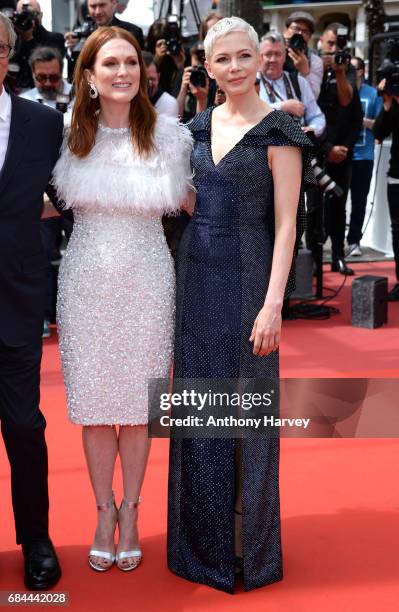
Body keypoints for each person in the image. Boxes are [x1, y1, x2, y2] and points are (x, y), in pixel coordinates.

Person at [168, 16, 313, 593]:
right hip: (197, 280)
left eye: (243, 56)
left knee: (247, 419)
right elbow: (185, 203)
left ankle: (248, 551)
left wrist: (274, 302)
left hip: (253, 278)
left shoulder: (280, 132)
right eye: (222, 58)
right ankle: (199, 546)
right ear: (207, 66)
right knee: (200, 413)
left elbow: (285, 227)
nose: (234, 67)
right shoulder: (194, 130)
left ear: (260, 59)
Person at [51, 25, 192, 572]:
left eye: (130, 63)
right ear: (88, 75)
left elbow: (196, 204)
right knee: (94, 409)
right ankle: (102, 510)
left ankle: (132, 512)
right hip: (86, 279)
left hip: (148, 278)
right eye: (109, 64)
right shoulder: (65, 134)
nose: (123, 73)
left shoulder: (171, 136)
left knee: (137, 410)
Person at [0, 12, 62, 590]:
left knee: (23, 424)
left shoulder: (43, 123)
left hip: (16, 299)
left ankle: (36, 537)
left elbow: (72, 192)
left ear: (7, 55)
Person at [306, 23, 363, 276]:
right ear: (321, 45)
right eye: (330, 44)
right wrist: (326, 148)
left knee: (340, 203)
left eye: (339, 45)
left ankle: (338, 255)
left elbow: (350, 107)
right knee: (314, 207)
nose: (335, 49)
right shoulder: (313, 70)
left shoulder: (348, 70)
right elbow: (309, 115)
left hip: (342, 151)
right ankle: (314, 257)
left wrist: (344, 149)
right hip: (317, 150)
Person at [346, 56, 382, 255]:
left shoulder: (372, 93)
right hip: (343, 154)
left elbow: (379, 125)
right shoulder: (342, 91)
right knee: (336, 201)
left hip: (364, 155)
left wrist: (360, 120)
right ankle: (328, 240)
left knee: (359, 201)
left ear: (361, 71)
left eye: (352, 68)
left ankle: (354, 241)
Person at [259, 31, 325, 138]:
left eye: (278, 54)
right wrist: (282, 107)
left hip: (296, 149)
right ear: (260, 56)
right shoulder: (251, 83)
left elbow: (317, 117)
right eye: (268, 54)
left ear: (285, 57)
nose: (273, 59)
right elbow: (247, 116)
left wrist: (312, 129)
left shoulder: (299, 82)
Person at [65, 0, 144, 78]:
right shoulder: (81, 32)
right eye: (93, 6)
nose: (97, 11)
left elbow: (140, 68)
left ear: (114, 3)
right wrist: (72, 50)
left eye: (102, 5)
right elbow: (73, 75)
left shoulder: (131, 32)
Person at [373, 78, 399, 301]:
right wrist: (388, 105)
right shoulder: (394, 106)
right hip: (396, 177)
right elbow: (379, 133)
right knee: (397, 230)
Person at [10, 0, 65, 91]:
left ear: (41, 15)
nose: (26, 18)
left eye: (32, 13)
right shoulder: (10, 41)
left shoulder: (55, 39)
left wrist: (29, 39)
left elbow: (47, 65)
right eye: (22, 14)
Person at [284, 10, 323, 99]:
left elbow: (313, 97)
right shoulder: (275, 53)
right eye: (296, 28)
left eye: (305, 31)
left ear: (309, 37)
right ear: (286, 31)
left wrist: (305, 72)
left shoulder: (315, 61)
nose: (300, 33)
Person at [143, 50, 179, 117]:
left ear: (158, 77)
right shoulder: (124, 99)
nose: (149, 84)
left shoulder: (168, 103)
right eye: (143, 80)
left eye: (152, 79)